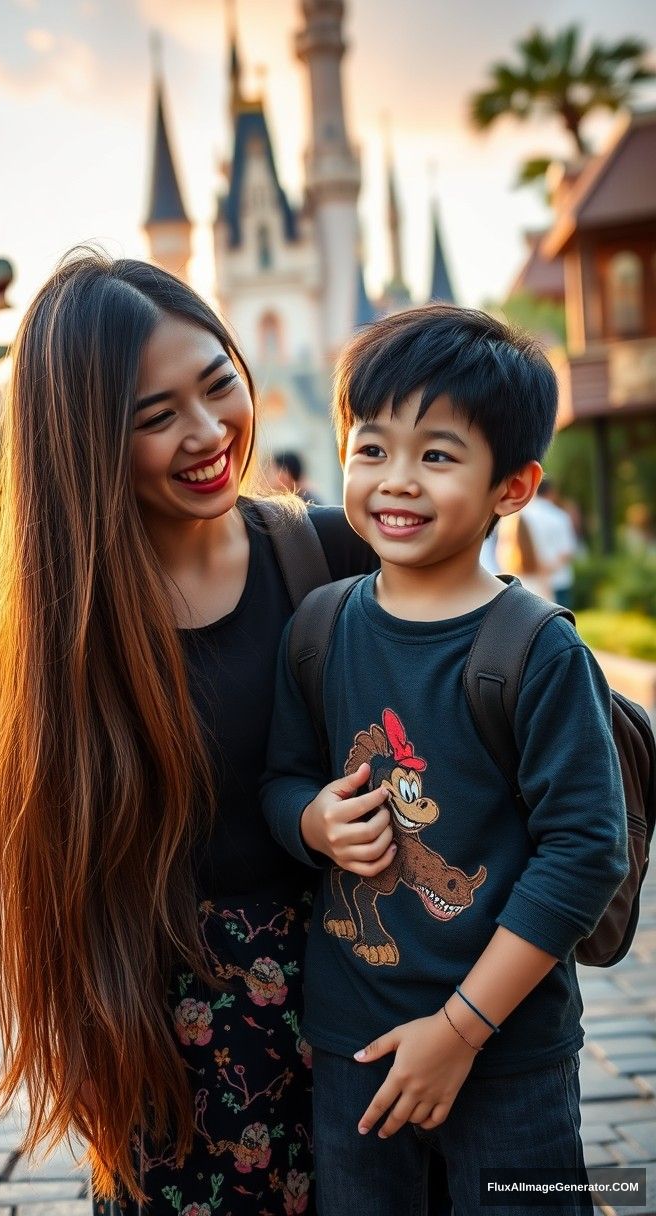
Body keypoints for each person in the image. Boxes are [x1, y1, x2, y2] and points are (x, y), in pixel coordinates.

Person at [0, 251, 383, 1214]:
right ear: (84, 444)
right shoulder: (69, 627)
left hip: (369, 1027)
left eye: (217, 385)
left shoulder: (332, 552)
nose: (208, 435)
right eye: (154, 418)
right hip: (182, 1075)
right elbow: (66, 874)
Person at [262, 306, 628, 1216]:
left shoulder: (537, 652)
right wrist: (313, 821)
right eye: (372, 448)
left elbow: (587, 851)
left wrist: (461, 1030)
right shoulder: (318, 628)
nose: (397, 481)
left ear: (512, 487)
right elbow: (278, 780)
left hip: (508, 1053)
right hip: (356, 1046)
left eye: (436, 455)